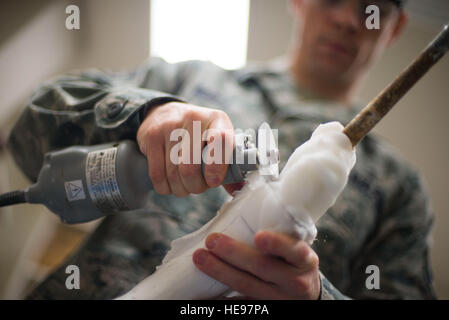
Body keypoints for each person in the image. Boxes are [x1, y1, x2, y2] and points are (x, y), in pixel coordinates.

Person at [8, 0, 436, 299]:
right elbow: (28, 135)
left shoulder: (398, 188)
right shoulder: (190, 82)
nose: (347, 18)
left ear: (395, 27)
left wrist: (316, 295)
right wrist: (146, 114)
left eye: (371, 8)